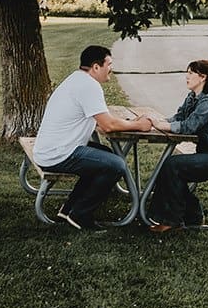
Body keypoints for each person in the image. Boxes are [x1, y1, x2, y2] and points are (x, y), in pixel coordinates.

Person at [33, 45, 154, 231]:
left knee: (104, 154)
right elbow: (108, 125)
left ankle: (69, 208)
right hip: (57, 154)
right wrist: (139, 125)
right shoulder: (89, 86)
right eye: (109, 64)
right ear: (96, 67)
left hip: (50, 148)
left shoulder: (77, 79)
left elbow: (101, 121)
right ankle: (81, 215)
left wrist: (125, 122)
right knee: (116, 165)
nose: (111, 69)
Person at [147, 59, 208, 232]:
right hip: (207, 154)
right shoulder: (192, 97)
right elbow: (178, 118)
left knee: (172, 166)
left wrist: (160, 125)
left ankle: (173, 220)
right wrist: (154, 122)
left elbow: (189, 126)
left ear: (202, 77)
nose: (186, 77)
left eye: (190, 73)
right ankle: (192, 214)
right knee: (171, 167)